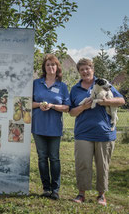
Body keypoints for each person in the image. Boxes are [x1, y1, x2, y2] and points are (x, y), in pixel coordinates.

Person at [69, 58, 125, 206]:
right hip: (83, 133)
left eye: (87, 68)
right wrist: (82, 107)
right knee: (83, 164)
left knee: (103, 166)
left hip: (104, 132)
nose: (85, 72)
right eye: (82, 70)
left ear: (92, 69)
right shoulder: (75, 89)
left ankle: (101, 195)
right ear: (79, 72)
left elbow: (121, 101)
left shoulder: (104, 84)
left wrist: (105, 102)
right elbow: (72, 113)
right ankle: (81, 194)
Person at [31, 54, 70, 200]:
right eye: (48, 64)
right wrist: (39, 104)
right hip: (38, 126)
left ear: (57, 68)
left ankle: (55, 189)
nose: (50, 67)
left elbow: (66, 107)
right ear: (44, 67)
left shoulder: (62, 86)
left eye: (53, 65)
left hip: (54, 127)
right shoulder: (36, 83)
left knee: (54, 158)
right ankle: (46, 188)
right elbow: (28, 102)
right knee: (42, 158)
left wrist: (52, 106)